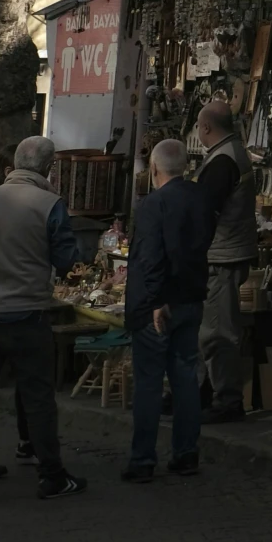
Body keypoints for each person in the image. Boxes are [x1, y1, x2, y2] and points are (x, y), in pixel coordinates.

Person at [0, 135, 88, 497]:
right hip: (27, 313)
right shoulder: (50, 204)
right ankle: (51, 474)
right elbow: (66, 262)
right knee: (38, 396)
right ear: (49, 168)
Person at [121, 137, 212, 481]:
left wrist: (157, 301)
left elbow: (151, 257)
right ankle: (186, 452)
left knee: (148, 382)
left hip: (158, 304)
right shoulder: (201, 199)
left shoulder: (153, 205)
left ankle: (143, 459)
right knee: (185, 377)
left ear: (156, 168)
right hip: (191, 298)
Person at [194, 97, 257, 422]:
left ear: (205, 127)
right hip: (226, 252)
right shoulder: (231, 154)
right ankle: (203, 393)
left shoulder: (223, 161)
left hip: (222, 255)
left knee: (217, 332)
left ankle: (227, 401)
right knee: (210, 329)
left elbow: (205, 211)